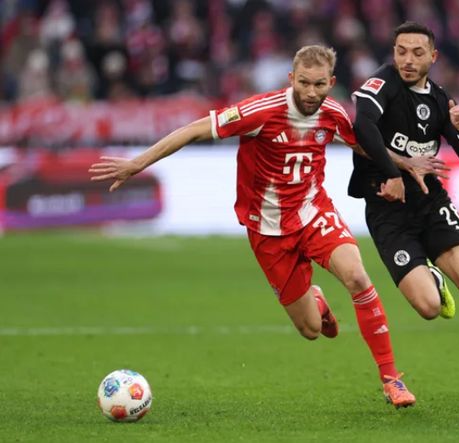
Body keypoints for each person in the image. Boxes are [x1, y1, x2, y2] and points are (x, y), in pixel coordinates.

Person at [89, 45, 418, 408]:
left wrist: (404, 164)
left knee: (357, 275)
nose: (311, 92)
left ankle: (391, 379)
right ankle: (316, 302)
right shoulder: (262, 111)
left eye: (319, 84)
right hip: (268, 230)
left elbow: (365, 146)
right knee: (311, 330)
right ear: (291, 79)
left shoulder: (334, 113)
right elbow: (195, 130)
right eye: (304, 83)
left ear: (331, 82)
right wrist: (138, 163)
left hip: (313, 212)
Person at [349, 21, 459, 410]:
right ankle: (434, 279)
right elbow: (362, 127)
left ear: (433, 56)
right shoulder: (383, 84)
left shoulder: (441, 99)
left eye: (417, 53)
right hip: (388, 209)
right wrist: (396, 172)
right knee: (428, 308)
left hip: (430, 203)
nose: (407, 60)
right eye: (401, 51)